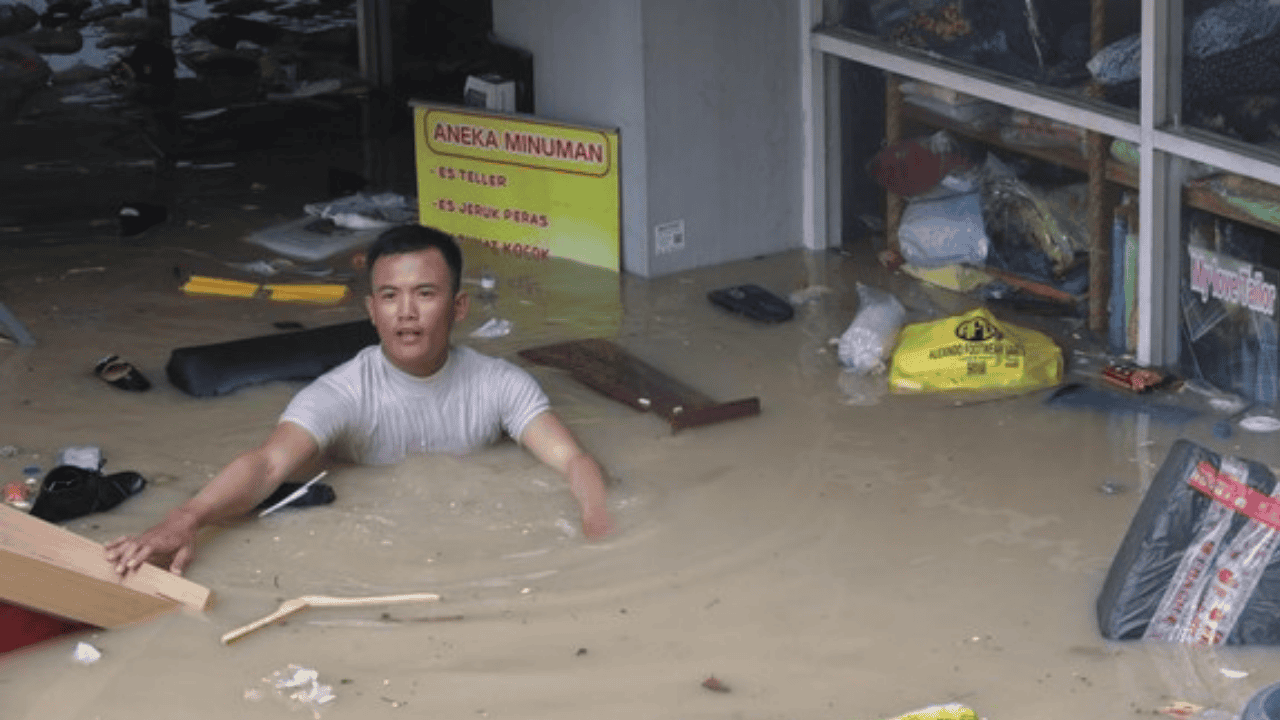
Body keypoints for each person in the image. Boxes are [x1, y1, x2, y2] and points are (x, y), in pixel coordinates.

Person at [106, 225, 614, 576]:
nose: (406, 313)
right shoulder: (340, 393)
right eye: (390, 296)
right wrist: (184, 518)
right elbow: (265, 465)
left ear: (459, 306)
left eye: (426, 294)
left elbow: (572, 459)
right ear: (371, 310)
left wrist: (599, 525)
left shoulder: (500, 384)